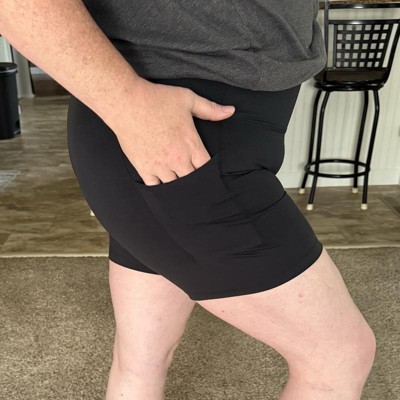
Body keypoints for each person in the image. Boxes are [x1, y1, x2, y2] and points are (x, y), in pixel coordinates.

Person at [0, 1, 376, 399]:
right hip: (169, 141)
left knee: (141, 362)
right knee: (339, 356)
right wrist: (128, 103)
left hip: (180, 140)